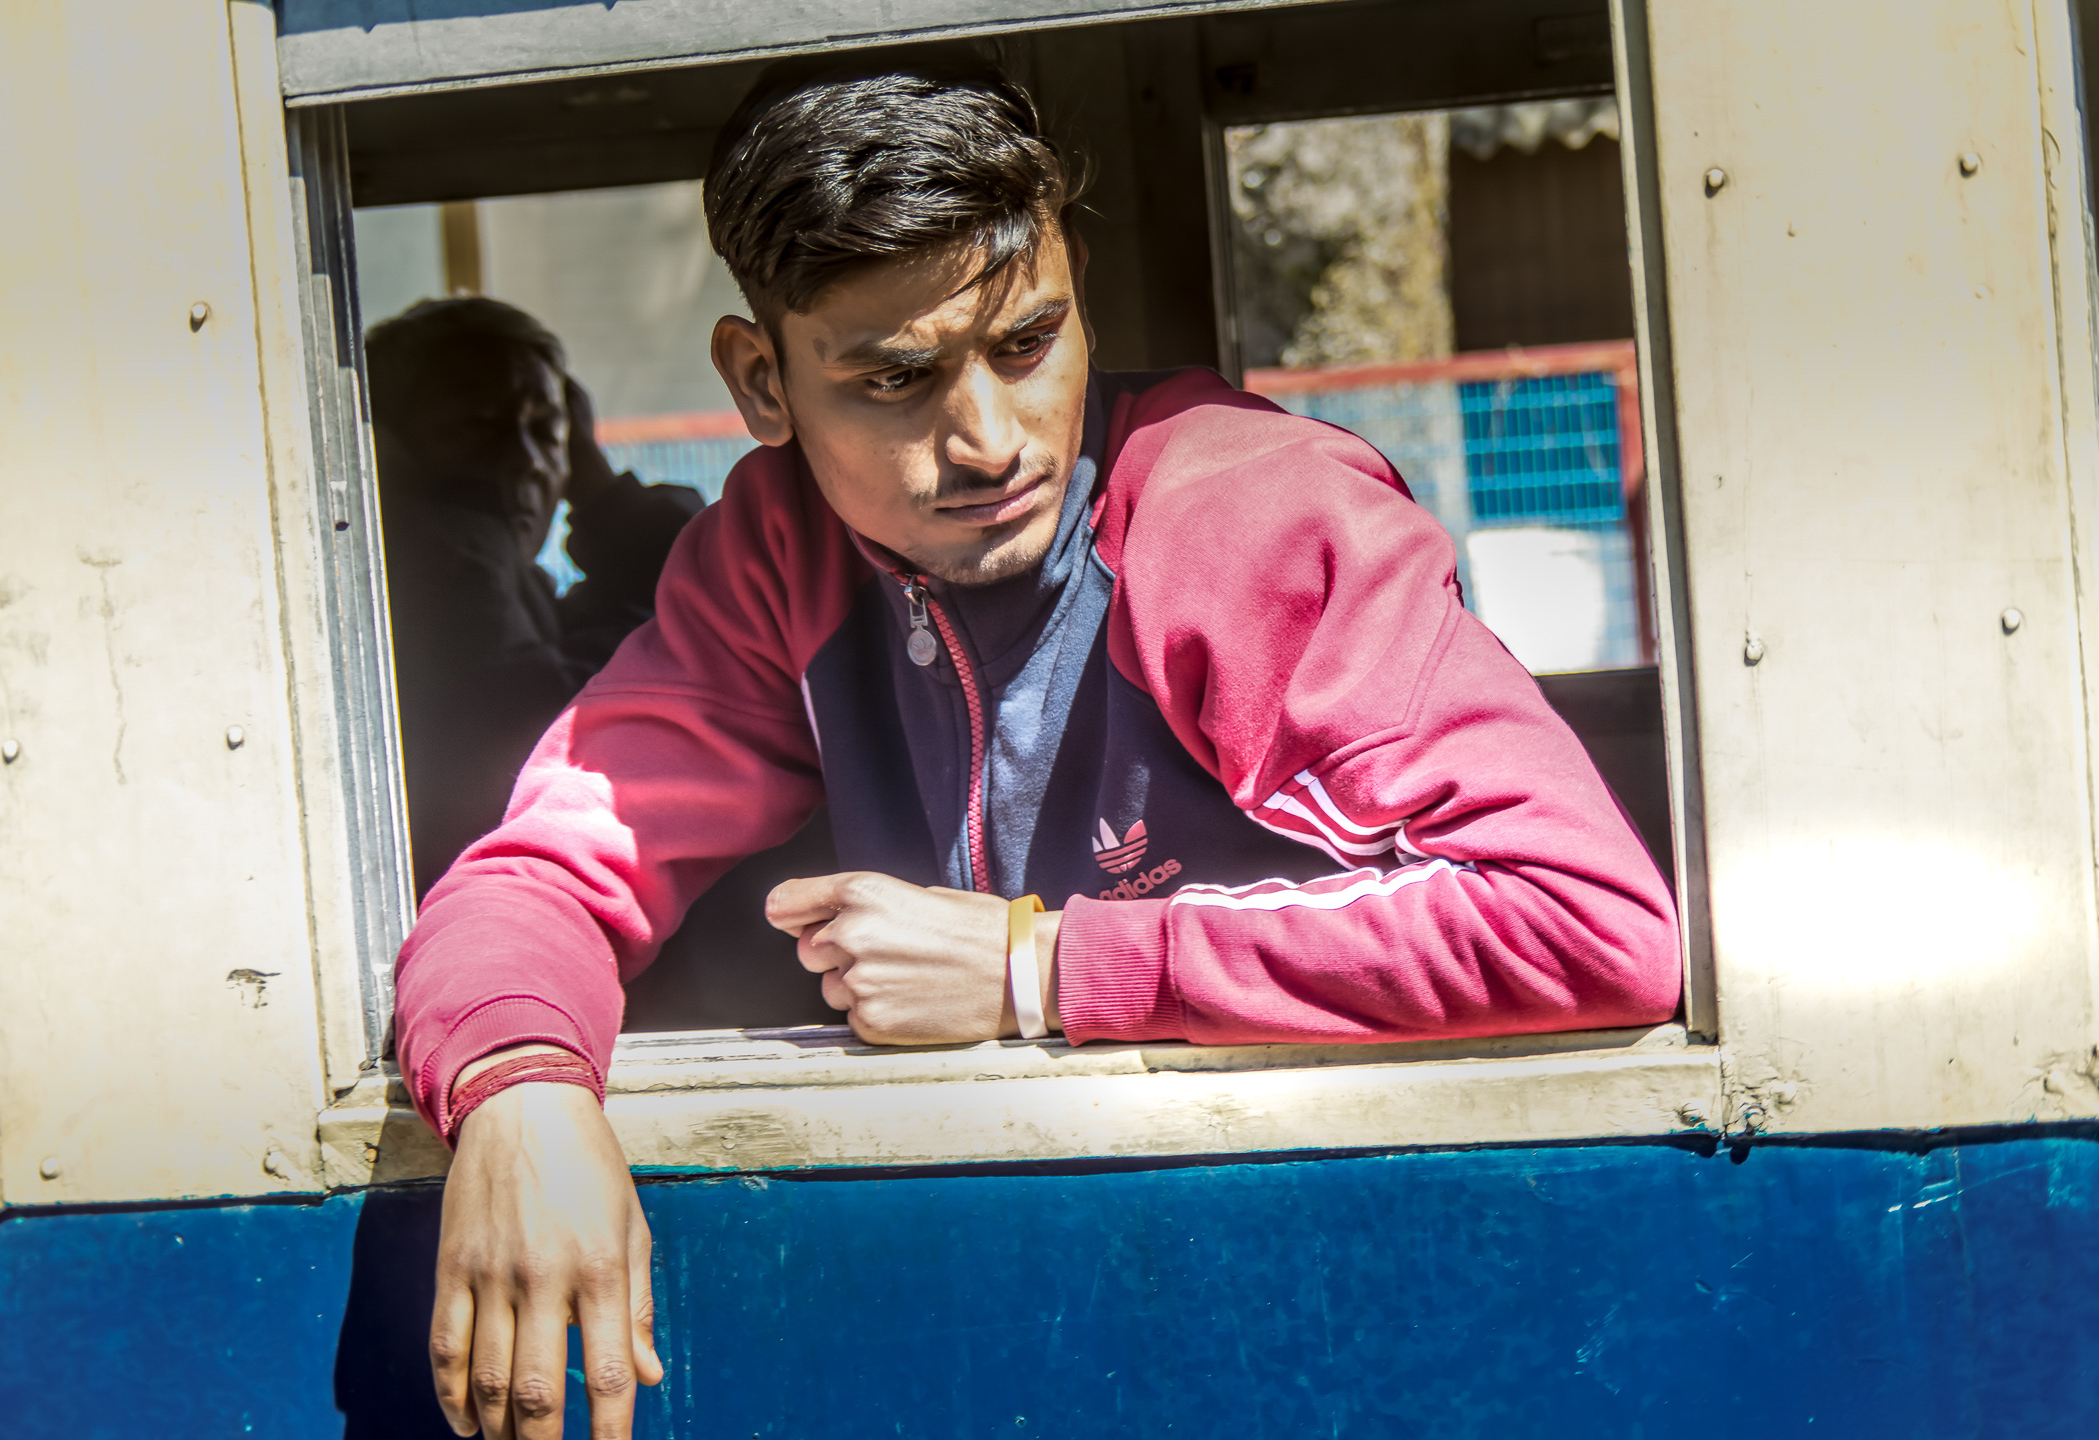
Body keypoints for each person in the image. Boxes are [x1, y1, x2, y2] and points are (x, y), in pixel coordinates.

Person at [397, 60, 1682, 1440]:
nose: (989, 440)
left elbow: (1590, 922)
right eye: (896, 380)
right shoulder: (774, 557)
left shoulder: (1250, 516)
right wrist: (517, 1093)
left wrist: (1041, 965)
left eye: (1027, 342)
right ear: (762, 380)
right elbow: (539, 877)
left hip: (1382, 1299)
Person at [366, 299, 707, 894]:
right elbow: (551, 724)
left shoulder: (492, 574)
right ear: (391, 445)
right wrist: (601, 497)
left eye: (549, 432)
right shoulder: (435, 558)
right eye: (477, 426)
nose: (525, 460)